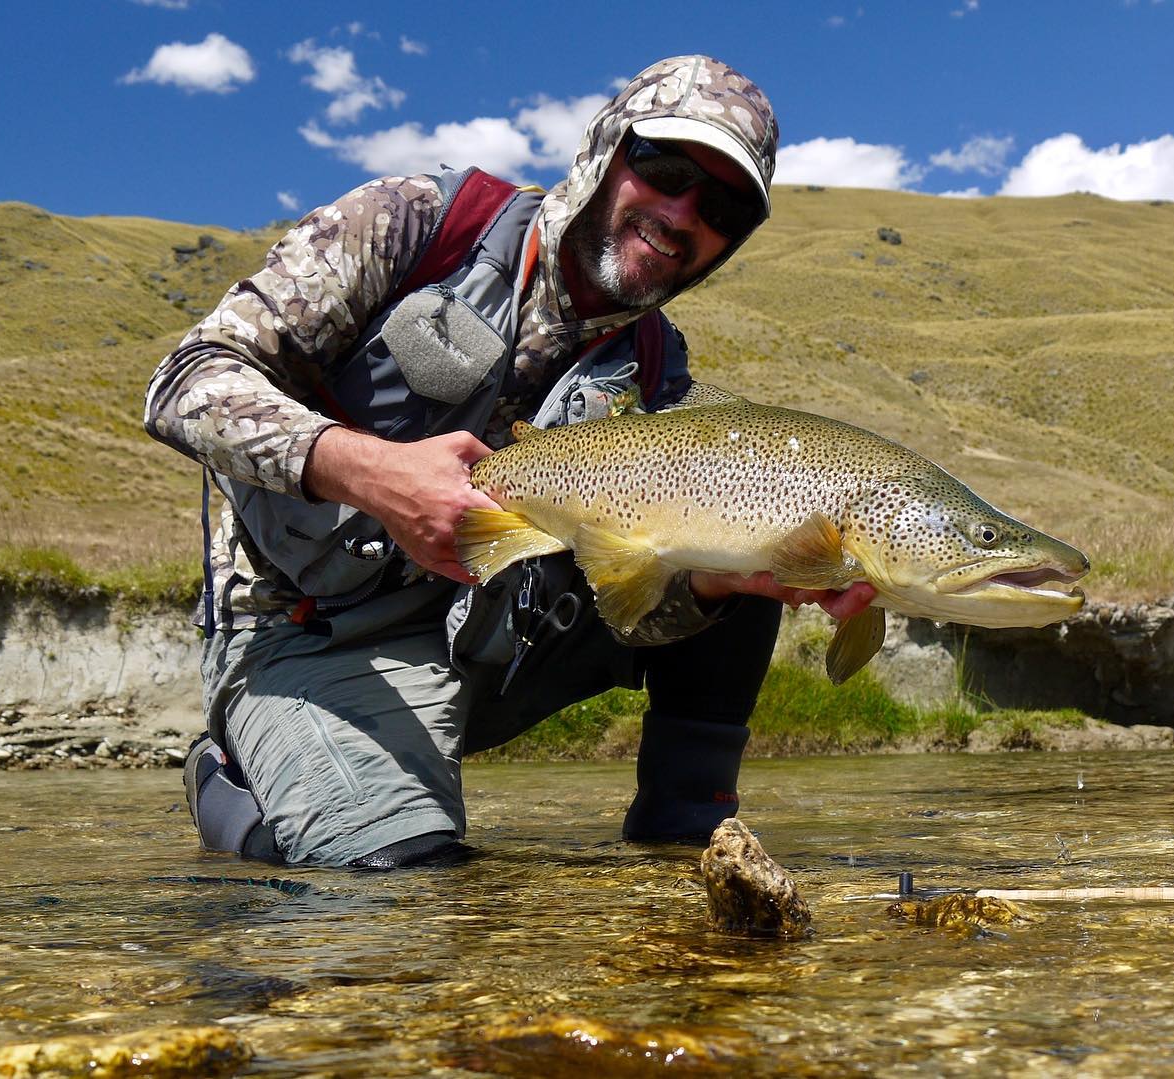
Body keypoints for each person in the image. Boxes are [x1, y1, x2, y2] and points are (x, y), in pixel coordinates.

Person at [144, 55, 873, 869]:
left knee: (746, 538)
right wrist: (373, 473)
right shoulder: (415, 223)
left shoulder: (659, 374)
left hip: (497, 636)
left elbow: (633, 609)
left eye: (724, 205)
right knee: (404, 891)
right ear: (605, 149)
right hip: (311, 633)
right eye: (664, 168)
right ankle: (234, 791)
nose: (681, 213)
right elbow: (184, 381)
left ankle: (682, 846)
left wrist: (716, 583)